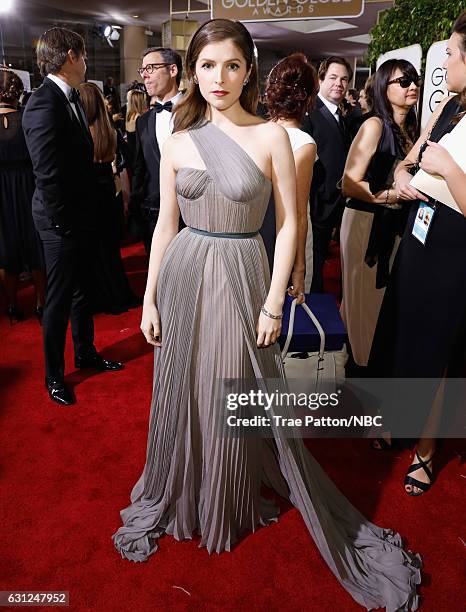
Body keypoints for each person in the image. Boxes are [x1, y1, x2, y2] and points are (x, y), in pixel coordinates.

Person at [113, 19, 421, 611]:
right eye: (206, 66)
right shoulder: (174, 139)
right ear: (191, 71)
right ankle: (184, 488)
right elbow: (163, 225)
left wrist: (276, 299)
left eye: (231, 65)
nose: (218, 78)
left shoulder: (273, 138)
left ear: (249, 69)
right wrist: (148, 296)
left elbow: (290, 226)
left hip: (242, 272)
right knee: (189, 389)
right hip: (184, 273)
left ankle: (227, 497)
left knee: (233, 390)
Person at [369, 10, 466, 495]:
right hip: (421, 230)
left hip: (456, 245)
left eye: (451, 51)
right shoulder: (448, 105)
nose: (445, 58)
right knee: (404, 329)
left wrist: (449, 170)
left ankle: (427, 449)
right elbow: (410, 158)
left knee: (440, 349)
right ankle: (399, 421)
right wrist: (404, 175)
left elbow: (448, 172)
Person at [22, 28, 123, 407]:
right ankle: (54, 376)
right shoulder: (43, 102)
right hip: (58, 221)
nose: (86, 63)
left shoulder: (72, 98)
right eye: (82, 56)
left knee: (83, 292)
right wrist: (63, 221)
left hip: (78, 216)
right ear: (69, 56)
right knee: (60, 300)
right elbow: (46, 173)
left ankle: (85, 353)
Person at [340, 60, 420, 369]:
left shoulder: (411, 128)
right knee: (364, 303)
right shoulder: (374, 125)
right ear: (384, 89)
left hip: (393, 225)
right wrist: (393, 196)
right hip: (365, 224)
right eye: (402, 81)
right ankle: (359, 371)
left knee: (380, 302)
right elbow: (349, 182)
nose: (411, 86)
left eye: (414, 79)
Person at [78, 82, 140, 315]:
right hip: (109, 193)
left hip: (89, 194)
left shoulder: (80, 133)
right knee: (111, 252)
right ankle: (118, 294)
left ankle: (100, 297)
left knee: (94, 252)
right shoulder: (110, 130)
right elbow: (123, 165)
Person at [262, 53, 318, 296]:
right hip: (285, 239)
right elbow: (297, 211)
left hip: (255, 234)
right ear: (308, 98)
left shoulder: (256, 132)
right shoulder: (303, 143)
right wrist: (299, 268)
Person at [302, 56, 352, 293]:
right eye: (332, 78)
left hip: (336, 206)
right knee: (313, 263)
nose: (339, 84)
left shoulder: (343, 115)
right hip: (317, 206)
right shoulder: (309, 112)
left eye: (344, 79)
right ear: (320, 78)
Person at [0, 67, 45, 324]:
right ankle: (41, 302)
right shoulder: (27, 118)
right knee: (34, 243)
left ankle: (13, 305)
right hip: (28, 187)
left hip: (2, 193)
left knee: (5, 246)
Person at [129, 46, 183, 254]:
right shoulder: (143, 122)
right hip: (154, 215)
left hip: (192, 216)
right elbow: (140, 169)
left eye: (151, 68)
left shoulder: (198, 114)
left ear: (172, 70)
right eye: (143, 70)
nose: (145, 75)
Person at [125, 88, 148, 169]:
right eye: (144, 100)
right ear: (139, 102)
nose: (145, 102)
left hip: (130, 153)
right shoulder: (139, 117)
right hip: (137, 156)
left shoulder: (129, 115)